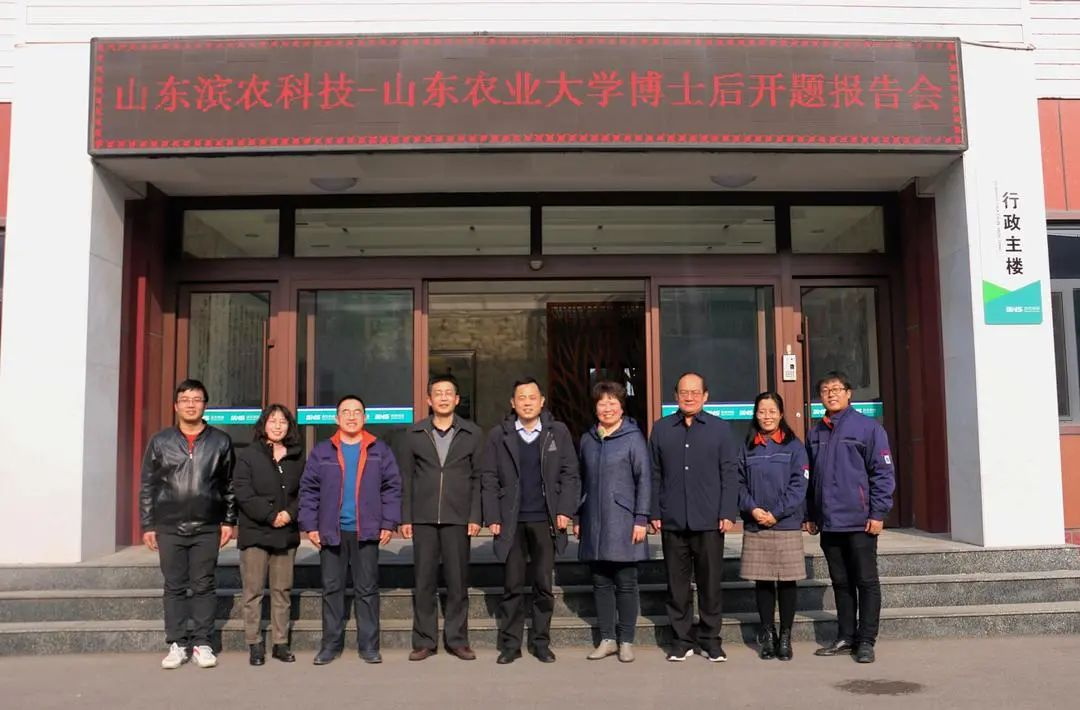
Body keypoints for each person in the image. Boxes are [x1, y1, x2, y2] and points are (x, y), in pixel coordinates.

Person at [481, 377, 580, 665]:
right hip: (511, 520)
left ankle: (541, 643)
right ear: (513, 403)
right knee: (512, 585)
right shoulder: (499, 435)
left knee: (543, 585)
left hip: (545, 519)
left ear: (542, 401)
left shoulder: (557, 432)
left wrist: (565, 510)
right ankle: (510, 645)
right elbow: (489, 477)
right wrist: (492, 515)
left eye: (532, 397)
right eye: (521, 398)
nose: (527, 403)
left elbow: (570, 474)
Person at [139, 379, 236, 670]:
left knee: (204, 584)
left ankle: (203, 643)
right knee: (174, 586)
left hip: (207, 525)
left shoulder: (220, 441)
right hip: (169, 525)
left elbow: (229, 484)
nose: (191, 405)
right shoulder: (160, 441)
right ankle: (178, 644)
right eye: (185, 399)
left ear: (205, 405)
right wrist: (148, 524)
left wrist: (229, 520)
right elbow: (148, 485)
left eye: (197, 399)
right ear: (176, 406)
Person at [298, 394, 402, 666]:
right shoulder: (322, 451)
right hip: (332, 531)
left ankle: (369, 646)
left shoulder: (380, 450)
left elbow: (392, 487)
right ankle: (330, 646)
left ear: (365, 417)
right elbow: (309, 490)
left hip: (366, 530)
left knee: (366, 590)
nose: (352, 416)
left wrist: (388, 522)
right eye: (346, 412)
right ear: (337, 418)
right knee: (332, 589)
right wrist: (310, 525)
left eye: (357, 412)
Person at [805, 371, 895, 664]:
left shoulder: (868, 428)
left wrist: (878, 512)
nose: (831, 394)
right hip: (829, 522)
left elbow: (883, 473)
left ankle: (866, 640)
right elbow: (810, 478)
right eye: (825, 390)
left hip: (860, 521)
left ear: (848, 393)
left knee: (866, 581)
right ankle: (845, 636)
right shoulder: (815, 432)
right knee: (841, 582)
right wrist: (810, 513)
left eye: (836, 389)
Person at [649, 372, 739, 663]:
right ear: (675, 395)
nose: (689, 397)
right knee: (676, 586)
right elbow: (654, 474)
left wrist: (728, 511)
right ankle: (681, 640)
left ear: (705, 396)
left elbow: (730, 473)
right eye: (684, 392)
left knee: (710, 584)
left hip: (709, 519)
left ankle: (711, 640)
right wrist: (654, 511)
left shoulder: (720, 429)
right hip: (672, 518)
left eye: (695, 392)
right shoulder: (661, 429)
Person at [396, 374, 485, 661]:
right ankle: (425, 641)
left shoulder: (472, 433)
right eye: (438, 393)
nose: (443, 397)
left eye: (449, 393)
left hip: (458, 517)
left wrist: (475, 515)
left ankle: (457, 640)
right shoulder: (414, 433)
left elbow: (478, 477)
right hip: (423, 517)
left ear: (457, 399)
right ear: (428, 399)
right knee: (424, 581)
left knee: (458, 581)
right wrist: (406, 517)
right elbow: (406, 477)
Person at [575, 381, 651, 663]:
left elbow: (644, 479)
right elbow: (581, 480)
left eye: (612, 403)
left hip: (624, 520)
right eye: (602, 403)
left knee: (626, 582)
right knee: (600, 582)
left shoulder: (633, 438)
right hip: (594, 520)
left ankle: (626, 640)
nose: (607, 408)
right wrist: (578, 515)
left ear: (621, 406)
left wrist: (641, 517)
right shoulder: (588, 439)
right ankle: (607, 639)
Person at [737, 392, 809, 662]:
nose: (766, 416)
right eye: (761, 411)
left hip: (785, 524)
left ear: (781, 414)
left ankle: (786, 636)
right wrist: (753, 509)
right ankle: (768, 635)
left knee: (787, 582)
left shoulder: (794, 447)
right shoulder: (747, 446)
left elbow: (799, 485)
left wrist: (776, 514)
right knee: (763, 581)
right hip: (756, 524)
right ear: (755, 415)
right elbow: (737, 482)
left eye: (771, 411)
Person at [234, 404, 303, 666]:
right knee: (253, 591)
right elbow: (243, 491)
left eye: (282, 421)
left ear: (289, 427)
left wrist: (289, 514)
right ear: (263, 424)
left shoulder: (297, 456)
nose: (277, 426)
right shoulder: (249, 455)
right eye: (272, 420)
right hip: (256, 530)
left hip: (286, 532)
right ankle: (254, 643)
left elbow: (306, 491)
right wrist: (270, 514)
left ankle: (280, 643)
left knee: (282, 590)